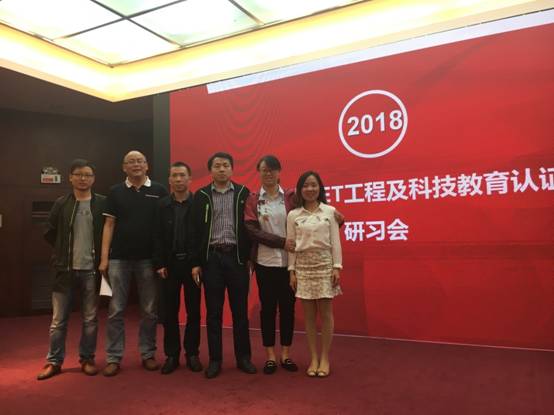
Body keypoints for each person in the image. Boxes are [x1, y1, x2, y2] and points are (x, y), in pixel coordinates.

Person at [99, 150, 168, 377]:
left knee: (149, 310)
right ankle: (113, 357)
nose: (136, 164)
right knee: (116, 310)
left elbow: (164, 226)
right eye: (131, 161)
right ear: (124, 167)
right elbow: (109, 225)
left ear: (147, 165)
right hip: (119, 258)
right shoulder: (115, 191)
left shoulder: (159, 190)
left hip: (149, 259)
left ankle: (148, 353)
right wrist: (104, 258)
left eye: (140, 161)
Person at [37, 159, 106, 380]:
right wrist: (61, 251)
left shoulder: (102, 203)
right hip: (64, 269)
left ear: (93, 178)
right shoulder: (61, 203)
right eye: (78, 174)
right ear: (70, 177)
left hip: (91, 270)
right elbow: (49, 231)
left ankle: (87, 359)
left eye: (87, 175)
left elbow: (109, 231)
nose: (83, 178)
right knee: (58, 321)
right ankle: (54, 361)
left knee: (90, 319)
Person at [190, 152, 255, 379]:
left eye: (225, 165)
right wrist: (196, 262)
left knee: (240, 312)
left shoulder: (243, 193)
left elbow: (251, 227)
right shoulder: (201, 196)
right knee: (214, 313)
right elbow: (195, 231)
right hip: (212, 260)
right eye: (217, 166)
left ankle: (243, 358)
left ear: (232, 169)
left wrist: (250, 257)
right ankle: (215, 360)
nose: (221, 169)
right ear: (211, 170)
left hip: (237, 259)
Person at [244, 155, 298, 375]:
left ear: (279, 172)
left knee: (288, 309)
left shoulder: (291, 197)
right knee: (267, 310)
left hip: (290, 263)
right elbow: (252, 230)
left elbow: (311, 212)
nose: (268, 174)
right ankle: (270, 356)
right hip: (265, 262)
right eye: (264, 170)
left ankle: (285, 354)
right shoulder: (253, 199)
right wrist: (281, 242)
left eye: (272, 170)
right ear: (259, 173)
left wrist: (334, 216)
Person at [286, 171, 342, 378]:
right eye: (306, 185)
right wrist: (291, 271)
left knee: (326, 313)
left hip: (325, 264)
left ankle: (325, 358)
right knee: (309, 316)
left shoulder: (330, 211)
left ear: (320, 188)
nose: (310, 189)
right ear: (300, 190)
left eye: (314, 185)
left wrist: (337, 266)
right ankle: (313, 358)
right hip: (303, 266)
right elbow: (291, 245)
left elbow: (335, 241)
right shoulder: (293, 215)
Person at [153, 161, 202, 374]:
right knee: (169, 313)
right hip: (169, 265)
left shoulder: (198, 203)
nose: (178, 179)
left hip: (193, 266)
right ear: (169, 180)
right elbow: (156, 236)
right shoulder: (161, 205)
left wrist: (197, 263)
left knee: (194, 312)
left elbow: (202, 236)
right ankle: (172, 355)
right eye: (174, 175)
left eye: (182, 175)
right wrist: (160, 263)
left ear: (190, 179)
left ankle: (192, 353)